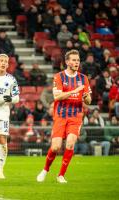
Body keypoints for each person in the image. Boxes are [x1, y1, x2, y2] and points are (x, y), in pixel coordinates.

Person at [37, 49, 92, 183]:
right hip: (61, 115)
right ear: (67, 62)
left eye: (78, 60)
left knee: (70, 143)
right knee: (55, 147)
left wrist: (86, 97)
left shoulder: (83, 78)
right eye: (73, 60)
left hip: (76, 116)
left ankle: (61, 175)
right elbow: (57, 96)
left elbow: (89, 101)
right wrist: (75, 91)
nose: (76, 62)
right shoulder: (59, 77)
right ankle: (45, 170)